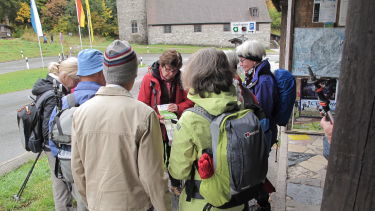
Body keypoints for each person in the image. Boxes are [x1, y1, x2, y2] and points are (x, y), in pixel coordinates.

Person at [71, 40, 171, 211]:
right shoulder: (144, 115)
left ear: (104, 73)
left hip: (98, 204)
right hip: (135, 205)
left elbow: (78, 169)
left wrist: (91, 201)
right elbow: (152, 176)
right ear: (133, 76)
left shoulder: (80, 113)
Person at [169, 48, 249, 211]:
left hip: (203, 202)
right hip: (238, 200)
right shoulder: (240, 107)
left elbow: (179, 172)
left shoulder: (191, 119)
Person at [49, 49, 106, 211]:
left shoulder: (65, 101)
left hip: (73, 170)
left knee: (83, 204)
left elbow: (52, 137)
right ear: (100, 72)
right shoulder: (106, 99)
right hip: (104, 173)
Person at [138, 49, 194, 194]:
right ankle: (156, 188)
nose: (170, 74)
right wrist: (156, 117)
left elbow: (191, 101)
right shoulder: (149, 79)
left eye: (174, 71)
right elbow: (142, 106)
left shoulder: (181, 79)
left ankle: (175, 185)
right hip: (155, 126)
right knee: (155, 158)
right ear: (161, 65)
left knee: (175, 156)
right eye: (168, 70)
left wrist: (178, 107)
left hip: (174, 126)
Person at [31, 58, 79, 211]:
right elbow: (49, 130)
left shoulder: (46, 86)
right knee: (62, 186)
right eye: (76, 79)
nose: (77, 84)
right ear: (66, 77)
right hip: (54, 148)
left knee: (60, 184)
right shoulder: (53, 94)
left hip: (51, 147)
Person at [236, 40, 278, 149]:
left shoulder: (264, 81)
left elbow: (262, 110)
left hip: (262, 132)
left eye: (242, 60)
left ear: (253, 60)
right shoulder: (254, 76)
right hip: (258, 130)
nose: (240, 64)